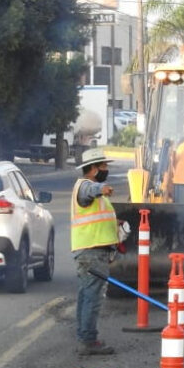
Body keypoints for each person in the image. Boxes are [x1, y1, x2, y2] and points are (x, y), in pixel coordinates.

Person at [71, 148, 122, 356]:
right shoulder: (86, 186)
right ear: (92, 169)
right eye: (103, 166)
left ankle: (84, 335)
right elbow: (89, 193)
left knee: (86, 295)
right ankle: (88, 340)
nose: (106, 169)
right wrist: (102, 188)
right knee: (92, 296)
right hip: (91, 252)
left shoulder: (90, 187)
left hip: (90, 251)